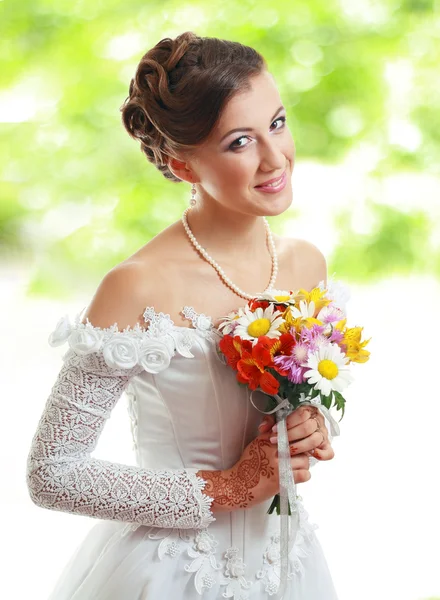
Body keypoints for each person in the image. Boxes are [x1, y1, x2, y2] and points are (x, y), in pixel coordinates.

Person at [26, 31, 341, 599]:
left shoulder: (306, 265)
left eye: (277, 123)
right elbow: (53, 471)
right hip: (170, 574)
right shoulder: (136, 285)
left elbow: (307, 396)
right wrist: (227, 488)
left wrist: (312, 425)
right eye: (240, 142)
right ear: (183, 164)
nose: (275, 158)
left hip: (286, 564)